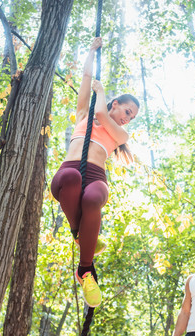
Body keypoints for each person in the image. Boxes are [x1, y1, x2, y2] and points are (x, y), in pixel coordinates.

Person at [51, 37, 139, 308]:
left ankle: (85, 270)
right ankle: (80, 232)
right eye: (127, 110)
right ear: (117, 103)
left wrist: (101, 94)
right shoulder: (82, 117)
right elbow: (86, 79)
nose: (128, 118)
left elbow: (101, 113)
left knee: (94, 196)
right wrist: (90, 51)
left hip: (96, 177)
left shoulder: (120, 133)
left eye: (132, 116)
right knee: (71, 178)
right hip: (69, 173)